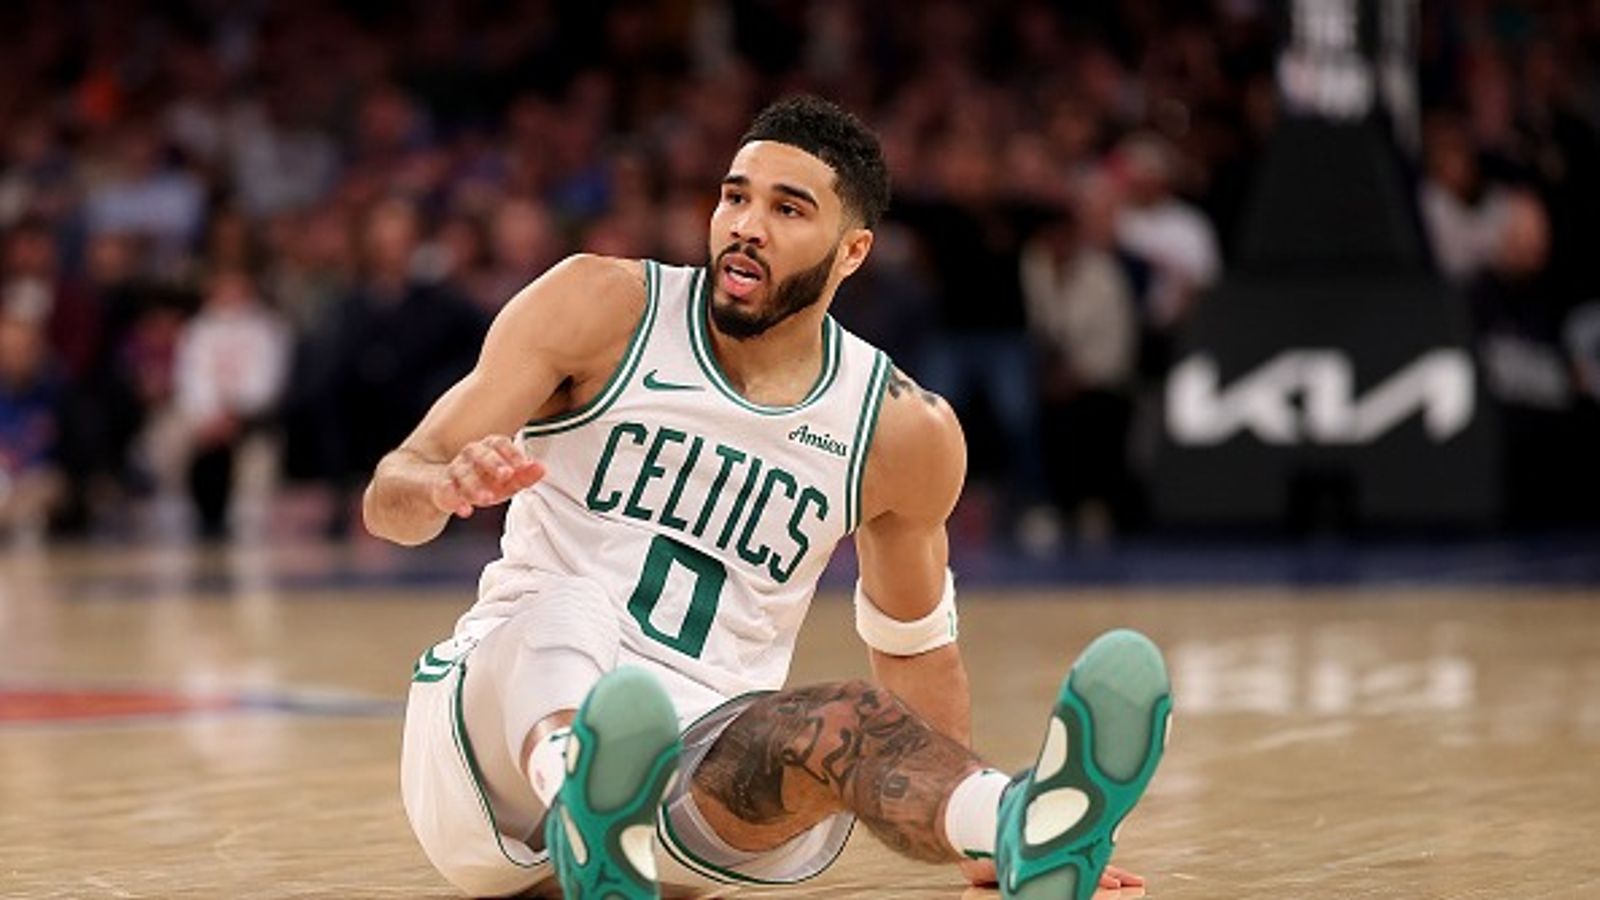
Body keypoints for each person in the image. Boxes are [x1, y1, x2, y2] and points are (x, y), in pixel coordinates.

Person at [364, 95, 1171, 900]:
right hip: (489, 759)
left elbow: (916, 652)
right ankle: (582, 789)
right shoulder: (602, 307)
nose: (746, 225)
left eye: (788, 208)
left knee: (847, 717)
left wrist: (966, 839)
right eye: (735, 196)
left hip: (691, 785)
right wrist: (438, 487)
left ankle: (1023, 825)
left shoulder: (899, 427)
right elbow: (390, 493)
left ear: (853, 251)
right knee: (569, 608)